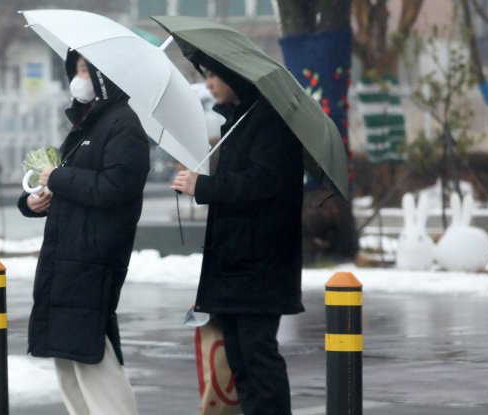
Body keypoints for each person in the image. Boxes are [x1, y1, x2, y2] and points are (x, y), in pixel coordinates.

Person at [171, 52, 305, 415]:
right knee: (239, 361)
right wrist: (200, 181)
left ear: (235, 77)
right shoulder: (239, 121)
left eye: (214, 75)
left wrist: (205, 186)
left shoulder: (272, 122)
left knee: (258, 357)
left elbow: (261, 183)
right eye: (206, 75)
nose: (208, 83)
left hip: (260, 263)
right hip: (233, 263)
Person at [17, 50, 150, 415]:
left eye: (85, 70)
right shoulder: (85, 125)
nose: (78, 79)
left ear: (104, 76)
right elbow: (65, 181)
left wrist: (59, 178)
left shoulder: (125, 125)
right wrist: (32, 202)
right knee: (68, 354)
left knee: (92, 351)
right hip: (65, 256)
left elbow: (115, 188)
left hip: (94, 258)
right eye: (74, 71)